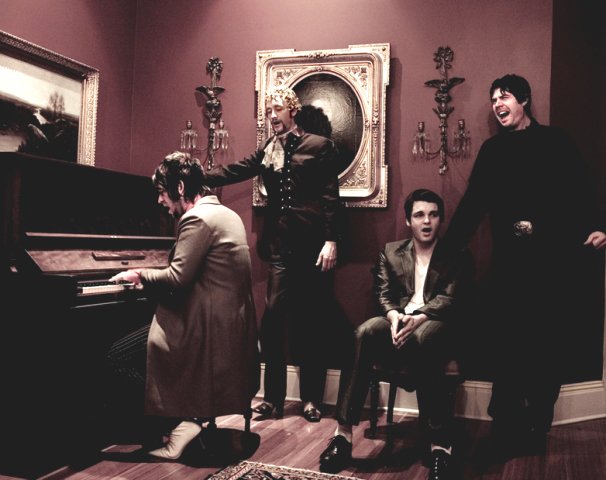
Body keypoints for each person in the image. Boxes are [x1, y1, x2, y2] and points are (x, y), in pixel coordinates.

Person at [444, 74, 606, 457]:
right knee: (506, 346)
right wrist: (446, 249)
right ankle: (505, 425)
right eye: (493, 99)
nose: (497, 104)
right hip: (510, 266)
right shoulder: (492, 151)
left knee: (546, 346)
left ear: (525, 100)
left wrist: (599, 225)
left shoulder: (555, 141)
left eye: (504, 96)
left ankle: (537, 425)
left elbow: (583, 187)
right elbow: (472, 204)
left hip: (553, 263)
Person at [108, 151, 259, 460]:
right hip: (227, 328)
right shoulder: (227, 214)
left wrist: (139, 274)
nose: (159, 201)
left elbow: (177, 278)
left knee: (117, 356)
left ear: (179, 188)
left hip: (203, 331)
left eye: (162, 192)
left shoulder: (196, 218)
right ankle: (178, 420)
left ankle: (177, 424)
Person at [205, 86, 340, 422]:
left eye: (277, 109)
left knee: (310, 323)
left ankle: (311, 399)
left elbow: (330, 196)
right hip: (280, 247)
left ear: (292, 110)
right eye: (268, 111)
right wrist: (198, 177)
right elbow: (238, 169)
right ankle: (273, 399)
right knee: (273, 320)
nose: (271, 116)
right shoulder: (269, 148)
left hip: (312, 247)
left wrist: (330, 240)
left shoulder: (320, 146)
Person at [319, 189, 472, 480]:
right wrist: (393, 316)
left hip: (435, 322)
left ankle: (440, 445)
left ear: (440, 220)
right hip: (398, 320)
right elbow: (383, 292)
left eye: (433, 215)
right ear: (408, 221)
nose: (426, 221)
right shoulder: (390, 251)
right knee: (364, 331)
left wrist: (419, 317)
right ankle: (342, 436)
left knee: (424, 337)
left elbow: (451, 298)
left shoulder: (456, 253)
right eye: (419, 215)